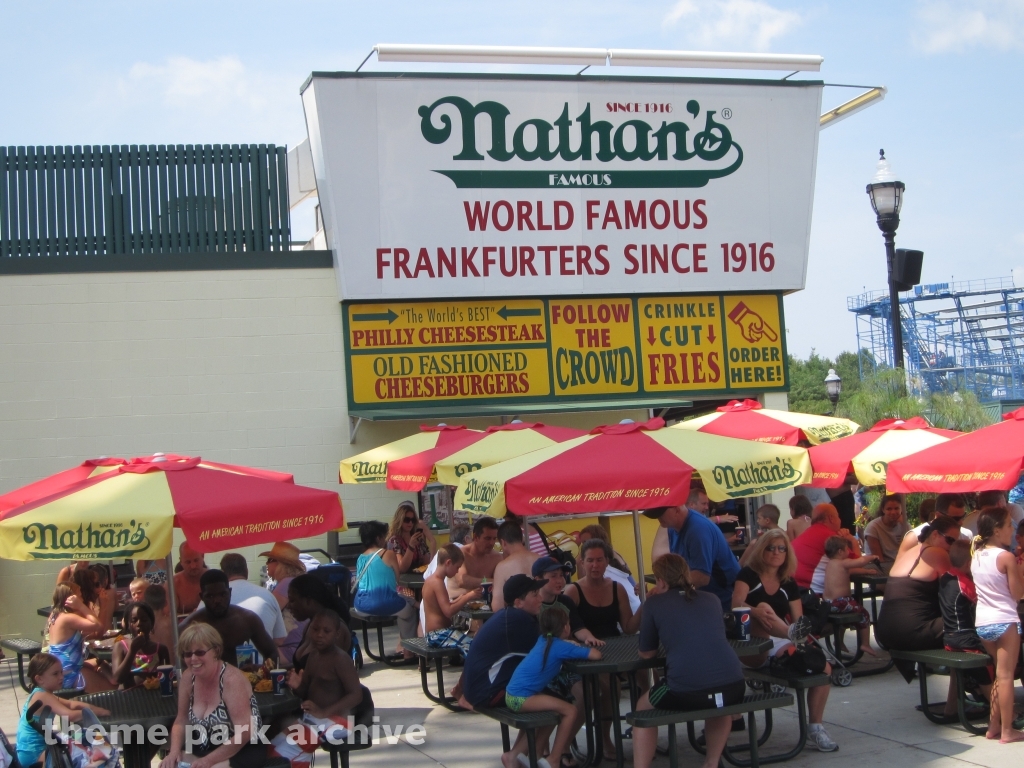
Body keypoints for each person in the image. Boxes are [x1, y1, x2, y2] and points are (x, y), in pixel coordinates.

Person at [633, 554, 746, 768]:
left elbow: (646, 654)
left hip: (684, 690)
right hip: (735, 686)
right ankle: (711, 763)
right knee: (719, 703)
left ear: (661, 581)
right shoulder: (711, 599)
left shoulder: (654, 604)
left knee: (643, 709)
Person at [733, 529, 838, 751]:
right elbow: (736, 605)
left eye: (781, 548)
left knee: (825, 669)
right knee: (762, 608)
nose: (776, 553)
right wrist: (755, 612)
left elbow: (799, 621)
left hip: (779, 640)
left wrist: (798, 637)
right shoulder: (748, 575)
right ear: (762, 550)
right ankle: (788, 636)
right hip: (749, 642)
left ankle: (815, 727)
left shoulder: (788, 583)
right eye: (771, 547)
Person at [875, 514, 964, 714]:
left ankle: (961, 698)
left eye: (956, 542)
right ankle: (956, 705)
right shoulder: (937, 553)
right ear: (934, 535)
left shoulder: (909, 551)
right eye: (949, 540)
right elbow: (954, 593)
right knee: (968, 628)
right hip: (912, 631)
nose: (951, 546)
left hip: (886, 632)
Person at [158, 623, 266, 768]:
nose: (193, 659)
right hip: (203, 746)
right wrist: (174, 752)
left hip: (241, 749)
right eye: (188, 654)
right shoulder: (187, 677)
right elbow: (181, 720)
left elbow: (245, 732)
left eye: (200, 652)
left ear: (216, 651)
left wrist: (208, 761)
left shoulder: (231, 679)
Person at [505, 607, 600, 768]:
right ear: (566, 627)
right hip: (522, 698)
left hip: (512, 695)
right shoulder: (560, 647)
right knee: (570, 710)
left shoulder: (543, 640)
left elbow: (556, 646)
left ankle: (522, 756)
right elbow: (596, 655)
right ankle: (554, 758)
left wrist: (566, 643)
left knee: (556, 711)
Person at [971, 508, 1024, 742]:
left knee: (998, 676)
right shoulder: (1006, 557)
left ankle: (993, 726)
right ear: (996, 530)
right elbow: (1018, 593)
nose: (1012, 531)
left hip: (983, 622)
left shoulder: (978, 554)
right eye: (1009, 526)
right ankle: (1007, 730)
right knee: (1006, 676)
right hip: (1004, 619)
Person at [16, 653, 110, 768]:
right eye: (55, 674)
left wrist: (97, 709)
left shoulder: (42, 693)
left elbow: (71, 704)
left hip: (33, 751)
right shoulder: (42, 696)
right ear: (39, 678)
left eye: (61, 672)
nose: (61, 677)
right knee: (97, 747)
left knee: (83, 740)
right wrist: (98, 713)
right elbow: (70, 715)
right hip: (35, 754)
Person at [645, 503, 739, 612]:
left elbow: (702, 577)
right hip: (705, 598)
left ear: (677, 509)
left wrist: (667, 587)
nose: (658, 518)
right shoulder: (672, 526)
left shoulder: (697, 530)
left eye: (661, 514)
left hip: (724, 598)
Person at [285, 610, 372, 725]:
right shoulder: (313, 656)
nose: (319, 635)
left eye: (326, 631)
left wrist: (324, 712)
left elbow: (356, 695)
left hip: (335, 721)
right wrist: (297, 686)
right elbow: (305, 691)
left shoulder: (341, 659)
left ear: (337, 634)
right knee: (275, 736)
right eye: (315, 629)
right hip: (314, 718)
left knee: (286, 742)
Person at [181, 570, 279, 668]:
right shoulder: (189, 626)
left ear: (230, 592)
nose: (217, 600)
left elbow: (272, 654)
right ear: (202, 597)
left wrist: (260, 671)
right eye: (210, 596)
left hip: (242, 680)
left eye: (223, 594)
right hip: (203, 681)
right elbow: (182, 666)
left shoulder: (247, 619)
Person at [938, 540, 993, 707]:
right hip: (966, 638)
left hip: (949, 637)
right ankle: (1004, 711)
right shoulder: (963, 582)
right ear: (970, 563)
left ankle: (952, 707)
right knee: (994, 663)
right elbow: (983, 601)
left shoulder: (946, 577)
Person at [353, 521, 418, 656]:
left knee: (406, 602)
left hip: (361, 606)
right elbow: (397, 580)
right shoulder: (388, 554)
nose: (385, 539)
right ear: (378, 538)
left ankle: (403, 649)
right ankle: (409, 651)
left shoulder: (360, 558)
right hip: (386, 603)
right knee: (410, 613)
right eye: (384, 536)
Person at [563, 540, 640, 639]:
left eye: (599, 560)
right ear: (582, 563)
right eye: (590, 560)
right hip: (585, 648)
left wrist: (644, 603)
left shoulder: (617, 588)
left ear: (607, 562)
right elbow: (564, 631)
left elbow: (629, 629)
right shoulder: (573, 591)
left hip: (616, 647)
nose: (595, 565)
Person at [821, 536, 879, 656]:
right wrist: (872, 557)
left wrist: (867, 572)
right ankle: (865, 644)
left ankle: (840, 641)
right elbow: (860, 562)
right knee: (864, 614)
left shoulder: (831, 564)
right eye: (847, 550)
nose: (849, 552)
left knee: (847, 616)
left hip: (828, 603)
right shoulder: (843, 562)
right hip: (840, 602)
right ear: (840, 552)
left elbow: (852, 571)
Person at [422, 544, 482, 656]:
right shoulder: (437, 582)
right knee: (473, 647)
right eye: (457, 567)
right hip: (437, 635)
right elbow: (448, 611)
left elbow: (444, 605)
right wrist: (467, 597)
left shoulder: (432, 580)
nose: (457, 571)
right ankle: (472, 672)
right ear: (448, 563)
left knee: (473, 642)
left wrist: (460, 598)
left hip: (436, 634)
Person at [46, 583, 107, 691]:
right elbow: (98, 625)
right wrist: (81, 606)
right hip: (69, 674)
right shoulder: (68, 618)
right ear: (71, 598)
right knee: (112, 687)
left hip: (59, 669)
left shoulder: (54, 615)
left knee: (100, 664)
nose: (82, 598)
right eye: (79, 595)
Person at [534, 557, 604, 647]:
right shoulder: (532, 606)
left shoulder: (566, 601)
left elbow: (578, 627)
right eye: (553, 576)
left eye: (561, 575)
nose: (559, 580)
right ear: (538, 579)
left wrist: (589, 638)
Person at [287, 573, 353, 668]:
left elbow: (327, 674)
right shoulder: (310, 625)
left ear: (308, 601)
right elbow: (300, 668)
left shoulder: (335, 628)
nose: (288, 606)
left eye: (292, 601)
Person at [220, 553, 287, 644]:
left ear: (223, 573)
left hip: (222, 657)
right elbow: (279, 640)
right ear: (246, 571)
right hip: (263, 657)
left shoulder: (211, 600)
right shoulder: (268, 596)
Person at [791, 504, 859, 590]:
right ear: (831, 518)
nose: (840, 520)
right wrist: (853, 541)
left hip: (794, 590)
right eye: (838, 516)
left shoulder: (807, 533)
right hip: (814, 594)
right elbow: (857, 565)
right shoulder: (830, 537)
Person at [576, 525, 640, 613]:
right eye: (583, 543)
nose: (584, 547)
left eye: (586, 542)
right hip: (636, 605)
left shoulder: (600, 567)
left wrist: (579, 563)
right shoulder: (614, 554)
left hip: (627, 611)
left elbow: (584, 590)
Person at [110, 601, 170, 688]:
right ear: (128, 625)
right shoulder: (120, 646)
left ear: (151, 623)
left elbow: (165, 679)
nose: (139, 624)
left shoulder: (160, 649)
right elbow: (117, 679)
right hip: (128, 697)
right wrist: (132, 651)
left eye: (144, 620)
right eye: (134, 620)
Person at [491, 521, 540, 612]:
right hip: (544, 617)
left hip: (519, 619)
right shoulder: (540, 558)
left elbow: (497, 607)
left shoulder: (502, 567)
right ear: (521, 539)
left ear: (503, 542)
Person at [386, 500, 437, 574]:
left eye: (412, 520)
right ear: (400, 520)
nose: (410, 523)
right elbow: (402, 568)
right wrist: (411, 546)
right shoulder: (394, 540)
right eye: (407, 520)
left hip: (419, 579)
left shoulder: (417, 538)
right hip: (404, 581)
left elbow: (426, 562)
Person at [454, 516, 503, 592]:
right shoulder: (461, 553)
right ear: (476, 537)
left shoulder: (496, 557)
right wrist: (493, 581)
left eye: (494, 539)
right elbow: (462, 581)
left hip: (486, 601)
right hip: (459, 601)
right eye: (487, 538)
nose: (492, 543)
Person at [864, 494, 910, 574]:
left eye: (896, 508)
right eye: (889, 509)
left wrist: (906, 525)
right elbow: (878, 558)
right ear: (883, 510)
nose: (893, 512)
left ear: (901, 509)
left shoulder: (904, 525)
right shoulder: (873, 527)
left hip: (900, 565)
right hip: (878, 567)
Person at [174, 542, 208, 615]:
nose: (193, 566)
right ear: (181, 561)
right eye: (188, 562)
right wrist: (192, 615)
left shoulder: (215, 578)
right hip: (185, 625)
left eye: (196, 560)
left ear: (203, 556)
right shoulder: (173, 584)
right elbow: (168, 616)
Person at [144, 583, 176, 656]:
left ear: (145, 603)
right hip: (169, 665)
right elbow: (172, 654)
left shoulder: (143, 624)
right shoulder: (170, 623)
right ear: (165, 603)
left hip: (151, 665)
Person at [89, 564, 118, 631]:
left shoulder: (89, 596)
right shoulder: (112, 592)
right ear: (106, 580)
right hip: (108, 632)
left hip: (95, 634)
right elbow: (116, 607)